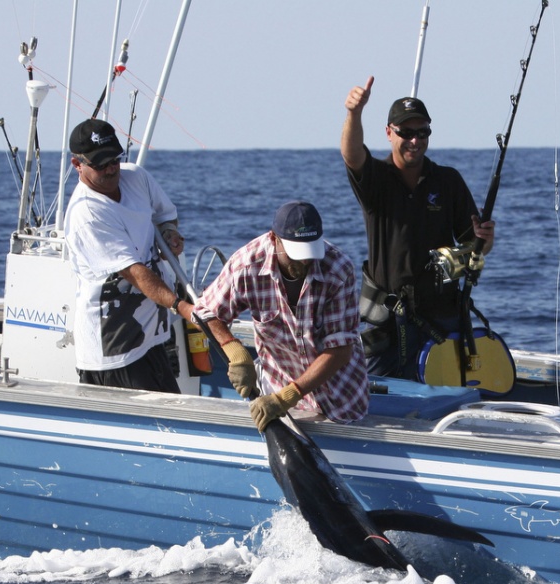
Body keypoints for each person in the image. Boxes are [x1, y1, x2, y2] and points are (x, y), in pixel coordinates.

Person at [340, 76, 496, 380]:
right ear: (389, 133)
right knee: (370, 393)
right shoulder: (376, 179)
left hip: (442, 321)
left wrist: (485, 240)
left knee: (447, 395)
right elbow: (352, 154)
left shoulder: (448, 180)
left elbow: (476, 246)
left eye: (422, 132)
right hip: (387, 322)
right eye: (406, 133)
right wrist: (354, 113)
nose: (415, 140)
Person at [194, 201, 369, 431]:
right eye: (296, 254)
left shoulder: (338, 269)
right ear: (274, 238)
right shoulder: (246, 264)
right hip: (277, 391)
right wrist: (234, 350)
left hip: (341, 398)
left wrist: (288, 396)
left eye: (309, 253)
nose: (304, 261)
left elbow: (340, 350)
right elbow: (204, 312)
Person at [63, 118, 192, 392]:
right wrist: (183, 308)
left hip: (152, 336)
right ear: (77, 164)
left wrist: (169, 234)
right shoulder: (86, 214)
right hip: (115, 348)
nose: (111, 169)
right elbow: (135, 273)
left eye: (115, 159)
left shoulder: (137, 177)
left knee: (172, 409)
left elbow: (165, 215)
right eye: (101, 164)